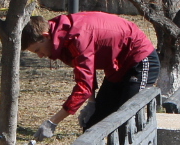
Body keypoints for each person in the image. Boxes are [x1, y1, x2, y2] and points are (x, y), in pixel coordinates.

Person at [23, 11, 158, 137]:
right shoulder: (60, 36)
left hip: (140, 61)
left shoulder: (76, 37)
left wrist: (53, 122)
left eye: (37, 50)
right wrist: (92, 103)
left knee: (127, 120)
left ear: (45, 36)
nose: (40, 56)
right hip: (117, 69)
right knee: (93, 124)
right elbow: (86, 71)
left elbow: (84, 87)